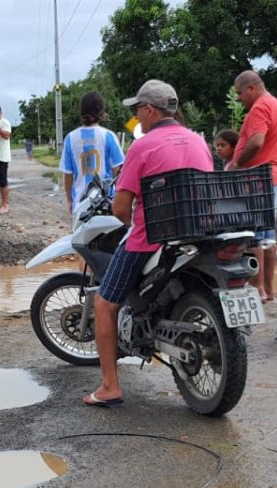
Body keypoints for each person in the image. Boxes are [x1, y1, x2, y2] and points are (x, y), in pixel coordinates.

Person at [83, 80, 214, 408]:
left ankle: (110, 385)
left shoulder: (141, 147)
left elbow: (121, 209)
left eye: (138, 109)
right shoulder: (198, 141)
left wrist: (132, 223)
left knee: (104, 303)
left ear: (151, 110)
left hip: (152, 238)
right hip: (198, 234)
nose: (136, 115)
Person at [229, 70, 277, 302]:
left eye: (240, 93)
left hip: (258, 180)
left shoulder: (260, 107)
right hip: (273, 178)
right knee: (268, 238)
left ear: (251, 88)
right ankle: (268, 290)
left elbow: (256, 142)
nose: (239, 99)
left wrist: (236, 165)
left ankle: (258, 290)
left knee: (253, 237)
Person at [61, 91, 124, 218]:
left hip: (80, 203)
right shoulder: (108, 136)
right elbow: (118, 172)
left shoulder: (70, 138)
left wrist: (69, 200)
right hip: (105, 202)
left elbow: (68, 175)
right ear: (101, 111)